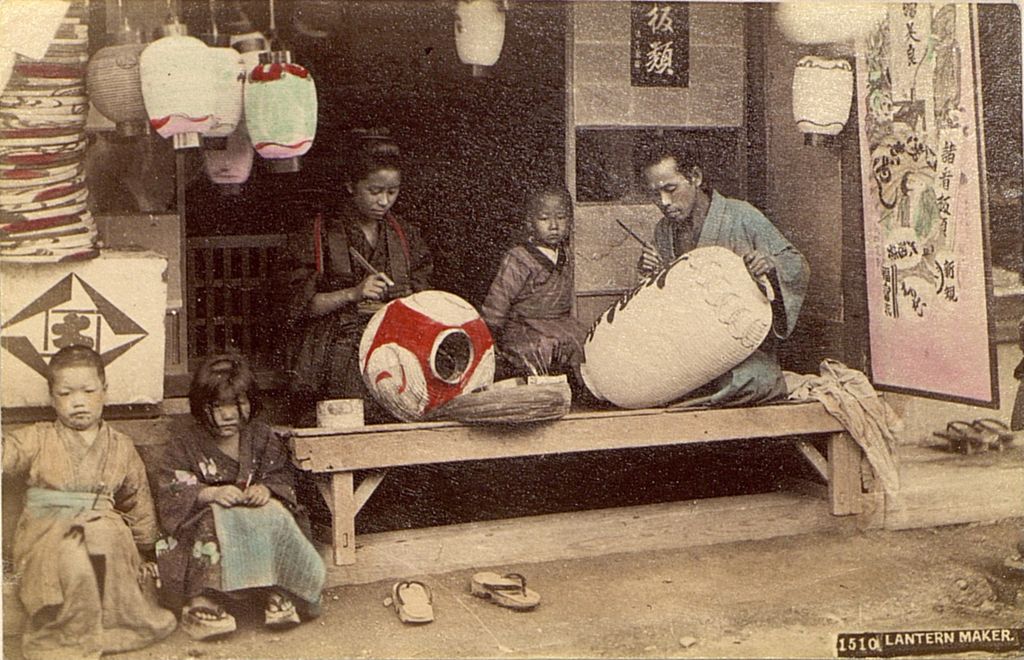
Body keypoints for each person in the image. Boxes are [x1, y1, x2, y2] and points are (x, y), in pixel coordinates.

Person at [2, 345, 177, 659]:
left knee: (103, 536)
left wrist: (145, 549)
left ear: (105, 391)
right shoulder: (38, 437)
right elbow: (7, 453)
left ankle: (109, 632)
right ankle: (65, 637)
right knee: (73, 553)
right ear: (52, 397)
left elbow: (137, 501)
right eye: (66, 393)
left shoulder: (121, 446)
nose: (78, 402)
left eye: (88, 391)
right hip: (48, 531)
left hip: (106, 531)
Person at [154, 353, 325, 640]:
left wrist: (266, 489)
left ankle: (276, 589)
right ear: (200, 405)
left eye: (238, 403)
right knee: (210, 523)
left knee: (276, 514)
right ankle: (203, 600)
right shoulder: (185, 442)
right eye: (217, 405)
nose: (229, 414)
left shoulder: (260, 437)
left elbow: (280, 475)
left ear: (251, 403)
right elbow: (171, 486)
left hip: (253, 516)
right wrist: (208, 493)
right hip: (206, 517)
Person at [636, 143, 810, 406]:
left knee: (753, 378)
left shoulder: (741, 215)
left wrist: (770, 264)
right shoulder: (664, 231)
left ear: (695, 177)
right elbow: (665, 301)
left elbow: (796, 264)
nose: (664, 202)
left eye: (670, 189)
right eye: (655, 194)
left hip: (738, 347)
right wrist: (651, 275)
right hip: (689, 344)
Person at [279, 130, 433, 423]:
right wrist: (353, 293)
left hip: (392, 345)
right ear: (351, 185)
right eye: (374, 191)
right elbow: (298, 306)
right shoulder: (318, 235)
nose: (384, 201)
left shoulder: (405, 236)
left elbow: (422, 298)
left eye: (392, 192)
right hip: (336, 350)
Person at [481, 187, 586, 379]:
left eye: (561, 218)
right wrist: (490, 335)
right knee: (542, 347)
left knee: (583, 341)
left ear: (570, 221)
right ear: (530, 223)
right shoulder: (519, 258)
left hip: (558, 322)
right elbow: (499, 299)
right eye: (544, 219)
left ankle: (583, 389)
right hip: (524, 326)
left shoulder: (567, 254)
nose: (554, 226)